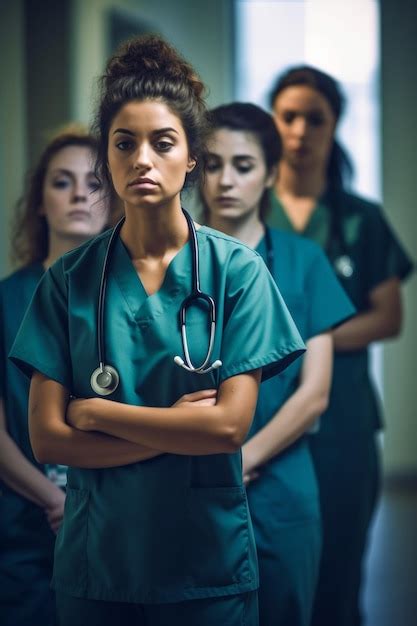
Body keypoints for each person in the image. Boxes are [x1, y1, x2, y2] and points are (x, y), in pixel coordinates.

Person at [9, 36, 307, 626]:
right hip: (100, 564)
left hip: (204, 567)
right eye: (124, 143)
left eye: (162, 142)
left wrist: (94, 414)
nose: (142, 158)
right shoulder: (68, 282)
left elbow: (227, 427)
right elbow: (46, 441)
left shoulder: (235, 272)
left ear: (191, 156)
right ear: (107, 157)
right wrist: (174, 431)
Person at [268, 65, 414, 626]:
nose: (300, 131)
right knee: (272, 576)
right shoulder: (244, 218)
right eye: (288, 117)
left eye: (315, 119)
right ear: (272, 124)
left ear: (335, 128)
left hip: (346, 423)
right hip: (264, 416)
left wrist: (308, 341)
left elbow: (388, 318)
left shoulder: (361, 220)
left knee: (339, 577)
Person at [200, 101, 355, 626]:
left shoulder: (302, 261)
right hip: (188, 480)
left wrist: (243, 459)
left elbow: (315, 392)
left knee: (287, 608)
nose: (225, 180)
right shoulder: (167, 263)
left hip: (282, 482)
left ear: (269, 174)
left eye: (243, 166)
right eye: (213, 163)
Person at [0, 125, 110, 626]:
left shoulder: (131, 299)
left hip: (115, 516)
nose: (79, 195)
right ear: (40, 201)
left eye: (93, 182)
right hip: (25, 520)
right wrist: (56, 502)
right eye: (61, 182)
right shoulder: (6, 301)